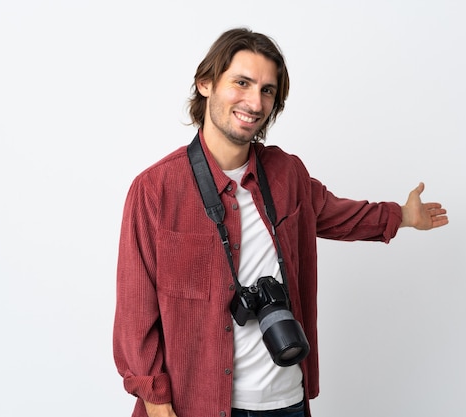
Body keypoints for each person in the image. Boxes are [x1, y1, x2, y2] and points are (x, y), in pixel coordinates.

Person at [113, 27, 448, 417]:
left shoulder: (286, 174)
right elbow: (136, 312)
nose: (255, 102)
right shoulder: (155, 189)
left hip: (287, 402)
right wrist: (155, 401)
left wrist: (403, 216)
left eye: (267, 90)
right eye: (242, 83)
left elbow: (339, 215)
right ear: (206, 83)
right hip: (199, 404)